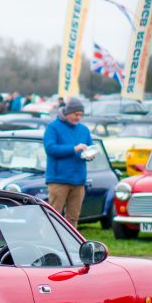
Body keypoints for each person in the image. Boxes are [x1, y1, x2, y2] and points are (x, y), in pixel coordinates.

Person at [42, 97, 92, 228]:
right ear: (68, 112)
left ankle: (71, 246)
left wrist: (90, 155)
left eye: (81, 115)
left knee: (73, 217)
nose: (78, 117)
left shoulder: (84, 130)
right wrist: (74, 148)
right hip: (58, 180)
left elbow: (90, 147)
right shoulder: (53, 127)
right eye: (76, 114)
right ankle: (50, 243)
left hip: (79, 180)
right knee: (54, 216)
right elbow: (50, 149)